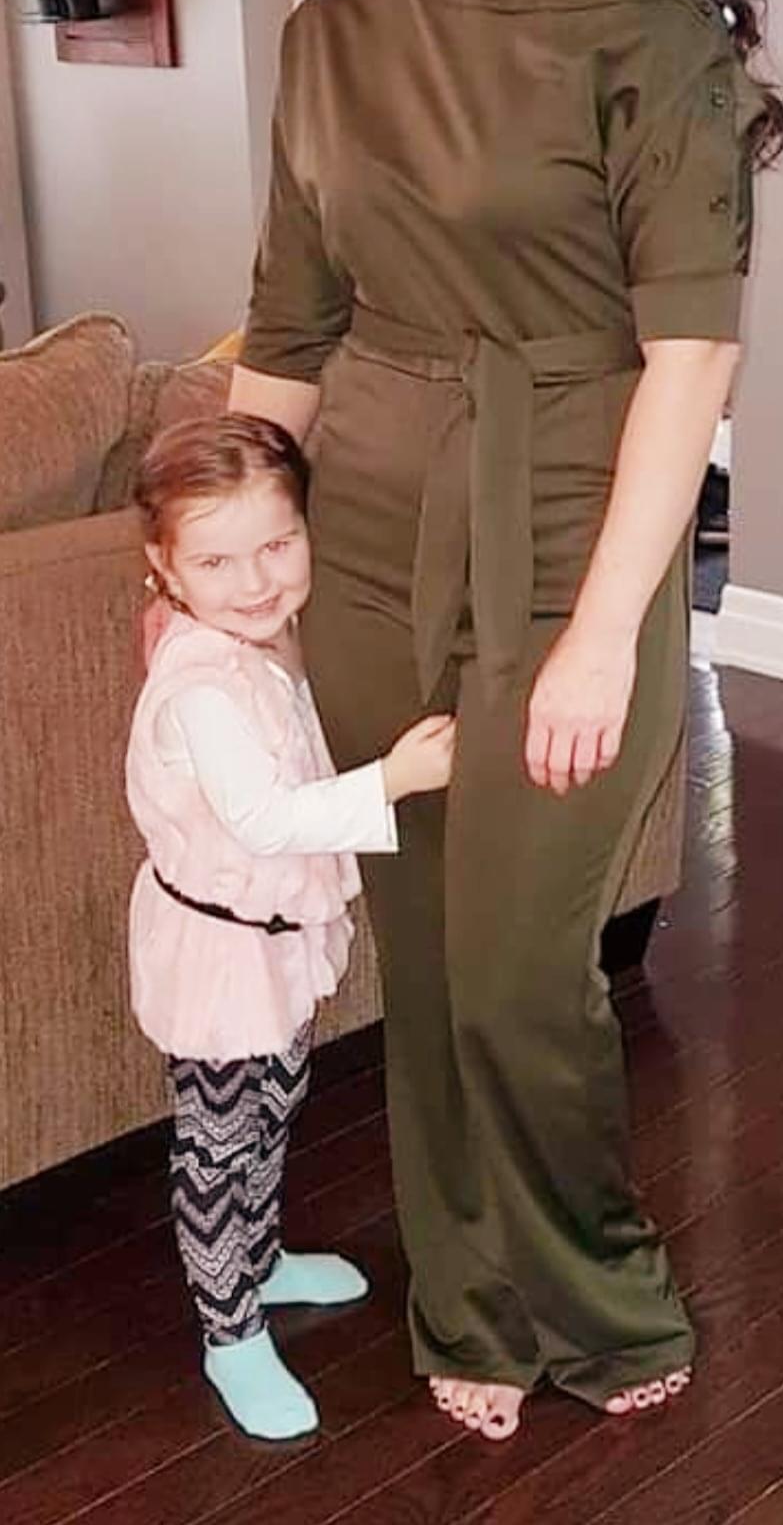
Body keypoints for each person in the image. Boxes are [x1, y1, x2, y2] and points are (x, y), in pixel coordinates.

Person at [229, 0, 783, 1442]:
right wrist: (214, 572)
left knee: (525, 969)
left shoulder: (648, 26)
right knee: (423, 951)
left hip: (571, 523)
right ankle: (464, 1300)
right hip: (370, 536)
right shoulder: (331, 31)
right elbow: (288, 329)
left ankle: (600, 1293)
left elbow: (689, 359)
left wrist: (607, 632)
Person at [125, 412, 455, 1440]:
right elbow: (264, 818)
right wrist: (394, 778)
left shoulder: (246, 641)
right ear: (164, 567)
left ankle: (259, 1261)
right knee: (220, 1145)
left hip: (266, 943)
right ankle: (229, 1331)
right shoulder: (203, 688)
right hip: (220, 956)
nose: (256, 580)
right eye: (216, 561)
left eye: (277, 544)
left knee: (272, 1108)